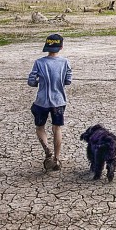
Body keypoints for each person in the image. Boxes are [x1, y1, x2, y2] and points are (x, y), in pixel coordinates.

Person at [28, 33, 72, 172]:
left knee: (40, 127)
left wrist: (38, 83)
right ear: (61, 47)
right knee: (57, 128)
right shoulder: (64, 62)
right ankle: (57, 159)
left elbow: (31, 81)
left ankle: (47, 150)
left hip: (41, 101)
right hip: (58, 101)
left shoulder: (39, 62)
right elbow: (68, 80)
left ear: (47, 47)